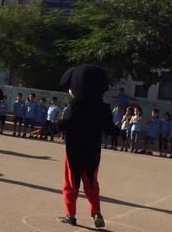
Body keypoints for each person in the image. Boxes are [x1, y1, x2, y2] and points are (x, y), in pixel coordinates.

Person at [57, 64, 113, 228]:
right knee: (91, 183)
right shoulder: (103, 107)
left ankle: (71, 215)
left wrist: (46, 130)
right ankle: (96, 212)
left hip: (74, 149)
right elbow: (110, 128)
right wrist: (120, 132)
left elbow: (62, 124)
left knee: (71, 183)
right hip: (93, 150)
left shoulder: (74, 106)